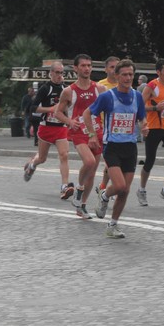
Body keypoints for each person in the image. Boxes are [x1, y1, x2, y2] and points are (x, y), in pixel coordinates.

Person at [86, 59, 148, 238]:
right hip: (112, 146)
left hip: (130, 147)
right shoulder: (108, 96)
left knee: (125, 190)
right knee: (120, 186)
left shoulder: (137, 96)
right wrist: (91, 135)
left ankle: (112, 225)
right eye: (124, 74)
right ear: (117, 76)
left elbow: (142, 117)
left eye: (131, 74)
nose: (128, 78)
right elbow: (88, 113)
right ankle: (104, 195)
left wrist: (145, 126)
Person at [54, 54, 107, 219]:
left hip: (97, 132)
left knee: (92, 172)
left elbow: (107, 110)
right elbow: (57, 113)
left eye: (89, 65)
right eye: (83, 65)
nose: (87, 68)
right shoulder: (69, 91)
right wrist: (69, 121)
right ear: (76, 68)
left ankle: (82, 206)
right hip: (79, 133)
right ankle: (79, 188)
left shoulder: (100, 89)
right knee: (89, 162)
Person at [23, 61, 74, 200]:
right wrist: (50, 109)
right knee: (42, 158)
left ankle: (64, 187)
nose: (59, 75)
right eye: (57, 72)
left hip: (61, 128)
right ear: (51, 73)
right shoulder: (45, 88)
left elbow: (69, 108)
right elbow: (32, 108)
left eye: (61, 73)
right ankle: (32, 164)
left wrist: (69, 120)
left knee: (64, 155)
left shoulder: (66, 89)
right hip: (46, 127)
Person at [137, 58, 164, 206]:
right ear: (158, 72)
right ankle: (142, 190)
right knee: (149, 161)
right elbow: (140, 107)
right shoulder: (151, 86)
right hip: (154, 128)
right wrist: (155, 108)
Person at [94, 56, 120, 196]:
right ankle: (105, 188)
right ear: (106, 69)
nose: (115, 70)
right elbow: (92, 109)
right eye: (112, 67)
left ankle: (103, 186)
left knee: (112, 162)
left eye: (117, 67)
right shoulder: (100, 86)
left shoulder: (124, 85)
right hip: (104, 130)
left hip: (121, 130)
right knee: (111, 162)